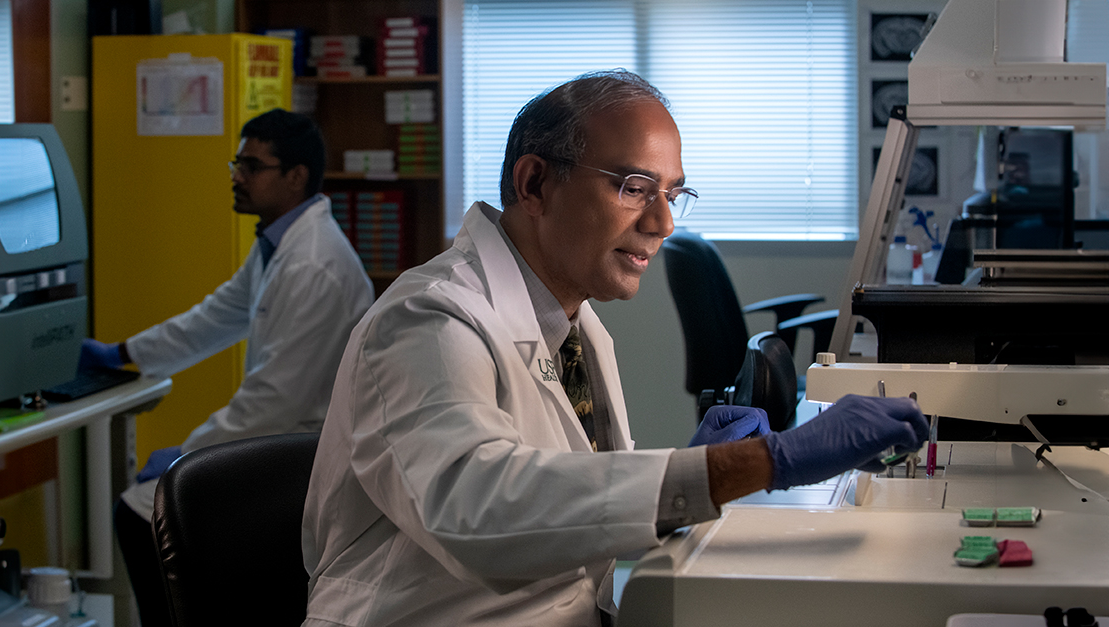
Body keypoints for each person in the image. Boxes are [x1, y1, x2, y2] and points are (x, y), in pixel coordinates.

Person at [300, 71, 927, 627]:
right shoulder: (428, 320)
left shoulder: (577, 323)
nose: (663, 223)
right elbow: (477, 511)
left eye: (672, 193)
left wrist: (688, 478)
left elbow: (572, 514)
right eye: (633, 187)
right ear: (536, 183)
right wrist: (756, 463)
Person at [81, 109, 374, 626]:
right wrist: (124, 353)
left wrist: (188, 455)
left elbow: (274, 401)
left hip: (303, 455)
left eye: (252, 166)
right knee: (143, 507)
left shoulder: (313, 264)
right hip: (284, 436)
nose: (237, 175)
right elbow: (215, 317)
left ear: (295, 176)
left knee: (140, 512)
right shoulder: (278, 245)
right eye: (237, 162)